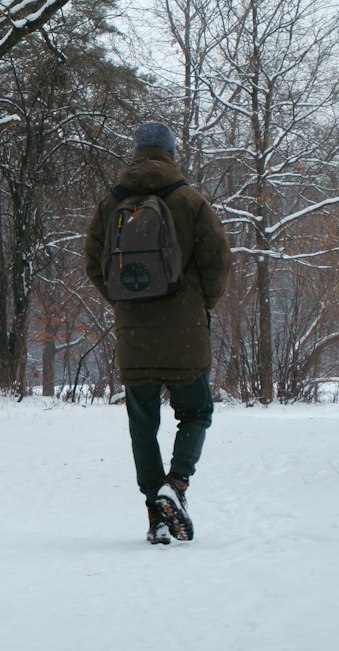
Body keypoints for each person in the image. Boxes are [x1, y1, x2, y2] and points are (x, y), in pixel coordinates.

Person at [84, 121, 231, 544]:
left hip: (134, 334)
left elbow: (93, 263)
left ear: (136, 152)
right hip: (185, 332)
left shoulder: (110, 204)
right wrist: (203, 305)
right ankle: (177, 483)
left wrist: (123, 303)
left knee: (142, 424)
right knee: (196, 412)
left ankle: (156, 514)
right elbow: (217, 261)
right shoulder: (190, 200)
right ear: (170, 152)